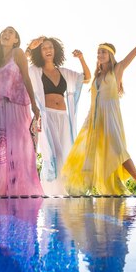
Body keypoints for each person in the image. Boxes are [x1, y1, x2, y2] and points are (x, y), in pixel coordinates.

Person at [62, 29, 136, 195]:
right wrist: (81, 58)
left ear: (110, 55)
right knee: (88, 150)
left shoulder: (118, 69)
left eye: (104, 52)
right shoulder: (97, 76)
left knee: (119, 150)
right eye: (99, 52)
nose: (100, 54)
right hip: (93, 117)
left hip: (111, 116)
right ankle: (85, 187)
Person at [0, 26, 43, 196]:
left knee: (18, 147)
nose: (6, 34)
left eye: (10, 32)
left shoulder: (18, 53)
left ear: (16, 40)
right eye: (3, 32)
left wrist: (34, 105)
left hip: (16, 106)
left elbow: (26, 78)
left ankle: (19, 187)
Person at [26, 36, 91, 195]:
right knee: (53, 154)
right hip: (47, 118)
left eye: (50, 47)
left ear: (55, 51)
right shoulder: (35, 71)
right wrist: (30, 47)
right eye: (43, 48)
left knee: (66, 154)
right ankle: (51, 194)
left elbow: (87, 78)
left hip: (63, 117)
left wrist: (81, 58)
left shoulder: (64, 72)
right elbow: (20, 65)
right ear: (39, 52)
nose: (48, 50)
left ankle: (67, 192)